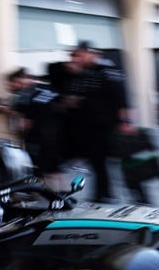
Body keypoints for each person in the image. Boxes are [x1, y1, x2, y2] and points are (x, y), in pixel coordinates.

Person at [49, 41, 135, 202]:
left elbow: (121, 98)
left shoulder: (107, 70)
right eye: (74, 56)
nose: (76, 59)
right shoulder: (80, 74)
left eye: (79, 55)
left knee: (102, 162)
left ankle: (106, 194)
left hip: (104, 126)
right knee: (97, 163)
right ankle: (104, 193)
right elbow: (71, 96)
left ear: (91, 54)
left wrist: (126, 122)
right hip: (86, 128)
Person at [2, 67, 67, 190]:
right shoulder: (45, 89)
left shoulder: (24, 95)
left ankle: (47, 194)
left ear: (19, 80)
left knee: (41, 168)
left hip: (38, 137)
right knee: (54, 168)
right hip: (53, 133)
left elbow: (23, 121)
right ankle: (61, 193)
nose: (10, 87)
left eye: (11, 84)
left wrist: (10, 112)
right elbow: (61, 105)